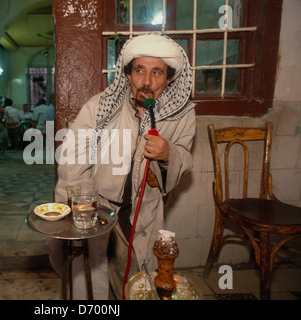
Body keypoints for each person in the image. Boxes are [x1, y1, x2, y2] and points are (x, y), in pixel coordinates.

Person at [47, 33, 196, 300]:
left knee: (139, 278)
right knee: (94, 278)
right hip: (99, 208)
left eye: (157, 73)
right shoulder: (99, 108)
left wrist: (167, 154)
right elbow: (73, 164)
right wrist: (83, 212)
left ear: (170, 78)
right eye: (140, 70)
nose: (147, 82)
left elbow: (183, 157)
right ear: (127, 74)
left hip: (145, 211)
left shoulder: (182, 115)